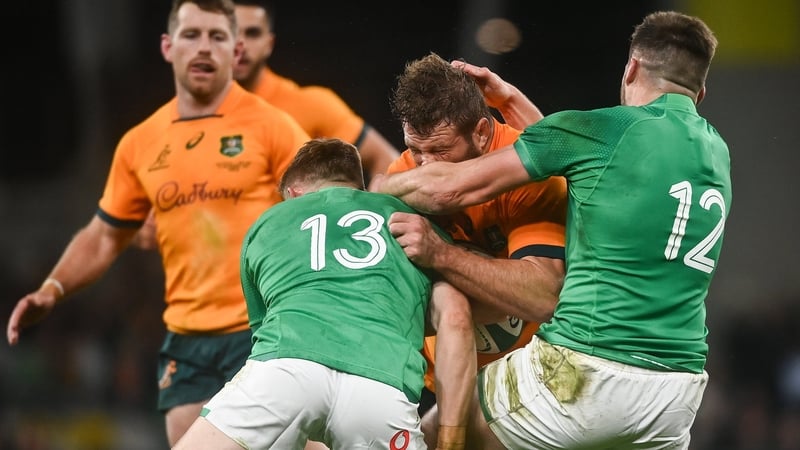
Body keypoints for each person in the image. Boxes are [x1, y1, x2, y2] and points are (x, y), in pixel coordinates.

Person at [378, 11, 731, 449]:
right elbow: (579, 163)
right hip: (677, 390)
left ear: (632, 68)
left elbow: (448, 189)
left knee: (441, 427)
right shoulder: (716, 152)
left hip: (588, 366)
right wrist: (509, 99)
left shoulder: (604, 129)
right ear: (700, 92)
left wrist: (375, 189)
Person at [6, 0, 312, 446]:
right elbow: (104, 235)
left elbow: (322, 211)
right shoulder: (140, 143)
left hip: (264, 330)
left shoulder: (274, 128)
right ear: (168, 46)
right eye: (191, 35)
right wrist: (52, 289)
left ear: (235, 50)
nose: (203, 47)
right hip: (187, 342)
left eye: (217, 36)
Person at [173, 138, 475, 450]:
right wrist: (451, 440)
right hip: (381, 386)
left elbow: (263, 331)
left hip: (285, 372)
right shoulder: (412, 222)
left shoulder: (266, 223)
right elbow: (457, 318)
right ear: (356, 187)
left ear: (293, 194)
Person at [384, 53, 567, 441]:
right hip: (435, 380)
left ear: (481, 133)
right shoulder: (402, 174)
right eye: (415, 149)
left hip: (530, 374)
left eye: (440, 151)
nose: (426, 167)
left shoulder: (528, 168)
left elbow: (543, 297)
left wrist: (441, 254)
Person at [232, 0, 399, 189]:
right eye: (232, 32)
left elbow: (385, 160)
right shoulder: (204, 111)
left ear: (269, 43)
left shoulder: (310, 104)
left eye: (252, 33)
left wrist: (370, 207)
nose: (240, 44)